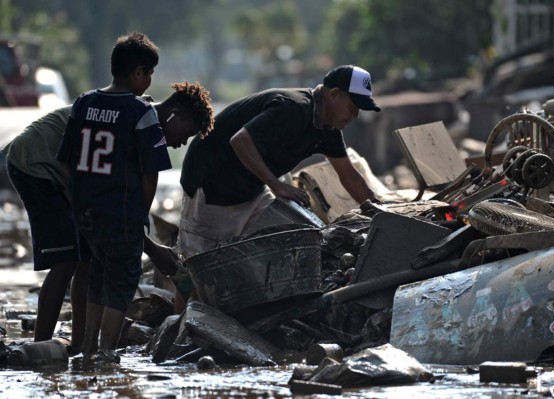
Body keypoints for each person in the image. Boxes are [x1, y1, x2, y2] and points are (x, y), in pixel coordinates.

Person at [3, 78, 212, 356]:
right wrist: (152, 249)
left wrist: (149, 245)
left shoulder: (141, 119)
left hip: (72, 174)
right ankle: (38, 347)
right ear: (174, 116)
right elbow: (118, 207)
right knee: (67, 259)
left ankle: (79, 345)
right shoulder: (137, 118)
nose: (181, 143)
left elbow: (123, 204)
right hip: (39, 162)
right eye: (186, 134)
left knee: (88, 257)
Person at [56, 32, 212, 363]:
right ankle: (108, 351)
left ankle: (87, 348)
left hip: (85, 211)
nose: (151, 81)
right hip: (122, 212)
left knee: (97, 276)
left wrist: (81, 196)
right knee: (122, 281)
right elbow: (150, 173)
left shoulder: (84, 102)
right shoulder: (140, 112)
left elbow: (65, 161)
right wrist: (140, 214)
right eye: (150, 73)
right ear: (138, 73)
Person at [178, 64, 381, 258]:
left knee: (295, 238)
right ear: (334, 94)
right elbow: (240, 141)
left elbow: (349, 176)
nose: (355, 115)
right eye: (353, 107)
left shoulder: (329, 129)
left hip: (251, 187)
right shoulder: (293, 109)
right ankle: (178, 294)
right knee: (200, 260)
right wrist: (276, 185)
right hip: (211, 180)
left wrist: (382, 213)